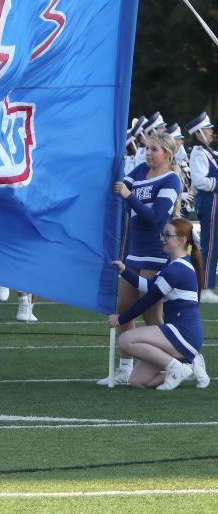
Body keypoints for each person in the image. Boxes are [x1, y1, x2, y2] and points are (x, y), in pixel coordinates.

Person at [99, 132, 182, 385]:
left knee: (151, 318)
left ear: (167, 153)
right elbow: (118, 183)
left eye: (154, 149)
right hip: (134, 252)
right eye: (146, 148)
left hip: (155, 256)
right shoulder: (139, 171)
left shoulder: (171, 180)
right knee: (123, 310)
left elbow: (155, 218)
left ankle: (180, 362)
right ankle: (125, 370)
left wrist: (128, 196)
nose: (148, 153)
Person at [109, 217, 209, 390]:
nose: (162, 238)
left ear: (181, 240)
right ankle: (189, 368)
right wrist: (124, 271)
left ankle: (176, 367)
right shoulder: (172, 265)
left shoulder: (176, 269)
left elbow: (147, 301)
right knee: (137, 381)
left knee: (126, 339)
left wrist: (121, 319)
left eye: (167, 235)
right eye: (162, 234)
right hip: (179, 333)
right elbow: (149, 287)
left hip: (184, 334)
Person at [188, 112, 218, 303]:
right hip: (210, 201)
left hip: (213, 200)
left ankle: (206, 285)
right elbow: (199, 181)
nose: (211, 132)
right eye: (208, 129)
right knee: (210, 244)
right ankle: (205, 287)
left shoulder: (208, 152)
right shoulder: (198, 153)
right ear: (199, 133)